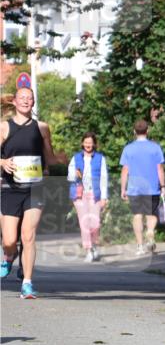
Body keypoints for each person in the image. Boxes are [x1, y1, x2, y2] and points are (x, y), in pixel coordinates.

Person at [0, 86, 63, 298]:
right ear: (15, 102)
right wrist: (3, 162)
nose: (26, 101)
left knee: (28, 235)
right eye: (22, 98)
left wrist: (70, 164)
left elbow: (51, 158)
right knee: (9, 240)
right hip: (9, 189)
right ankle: (10, 255)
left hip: (35, 188)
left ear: (33, 102)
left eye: (30, 98)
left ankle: (27, 283)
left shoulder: (42, 128)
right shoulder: (4, 128)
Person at [119, 119, 165, 256]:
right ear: (147, 130)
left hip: (134, 188)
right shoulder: (155, 147)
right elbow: (160, 168)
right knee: (151, 214)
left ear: (134, 132)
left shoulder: (128, 148)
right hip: (151, 187)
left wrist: (123, 188)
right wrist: (163, 186)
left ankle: (139, 246)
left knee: (137, 215)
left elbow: (125, 170)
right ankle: (150, 232)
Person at [67, 132, 108, 262]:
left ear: (94, 144)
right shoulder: (76, 158)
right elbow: (69, 177)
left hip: (95, 195)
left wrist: (104, 197)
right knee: (84, 222)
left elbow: (104, 178)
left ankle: (94, 245)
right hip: (79, 195)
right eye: (86, 142)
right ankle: (88, 250)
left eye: (90, 142)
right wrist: (75, 174)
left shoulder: (100, 158)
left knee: (95, 223)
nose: (88, 145)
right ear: (82, 143)